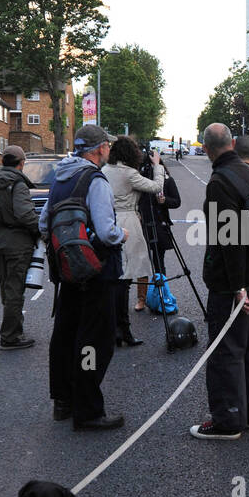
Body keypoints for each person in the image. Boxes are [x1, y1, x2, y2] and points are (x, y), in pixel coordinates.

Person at [39, 124, 128, 430]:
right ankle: (88, 410)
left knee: (65, 333)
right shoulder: (95, 180)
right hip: (98, 270)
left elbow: (43, 223)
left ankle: (62, 401)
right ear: (99, 148)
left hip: (67, 271)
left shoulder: (60, 177)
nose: (109, 150)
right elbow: (106, 231)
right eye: (107, 145)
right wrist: (122, 233)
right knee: (94, 341)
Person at [192, 123, 249, 440]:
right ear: (234, 143)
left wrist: (238, 286)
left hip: (233, 284)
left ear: (208, 149)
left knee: (226, 351)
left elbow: (230, 239)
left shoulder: (220, 182)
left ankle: (227, 421)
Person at [0, 144, 40, 350]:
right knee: (15, 289)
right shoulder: (18, 185)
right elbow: (25, 214)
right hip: (18, 245)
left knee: (6, 287)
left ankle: (14, 329)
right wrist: (39, 232)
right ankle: (10, 336)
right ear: (22, 164)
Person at [102, 137, 165, 346]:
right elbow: (156, 187)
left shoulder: (104, 170)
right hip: (128, 221)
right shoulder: (129, 174)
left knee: (116, 275)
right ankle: (123, 330)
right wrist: (157, 166)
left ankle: (115, 329)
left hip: (108, 220)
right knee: (125, 277)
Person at [135, 163, 181, 311]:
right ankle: (141, 299)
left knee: (158, 260)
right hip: (142, 225)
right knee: (141, 262)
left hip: (159, 226)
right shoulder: (140, 179)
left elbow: (176, 201)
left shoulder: (167, 180)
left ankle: (161, 294)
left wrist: (164, 201)